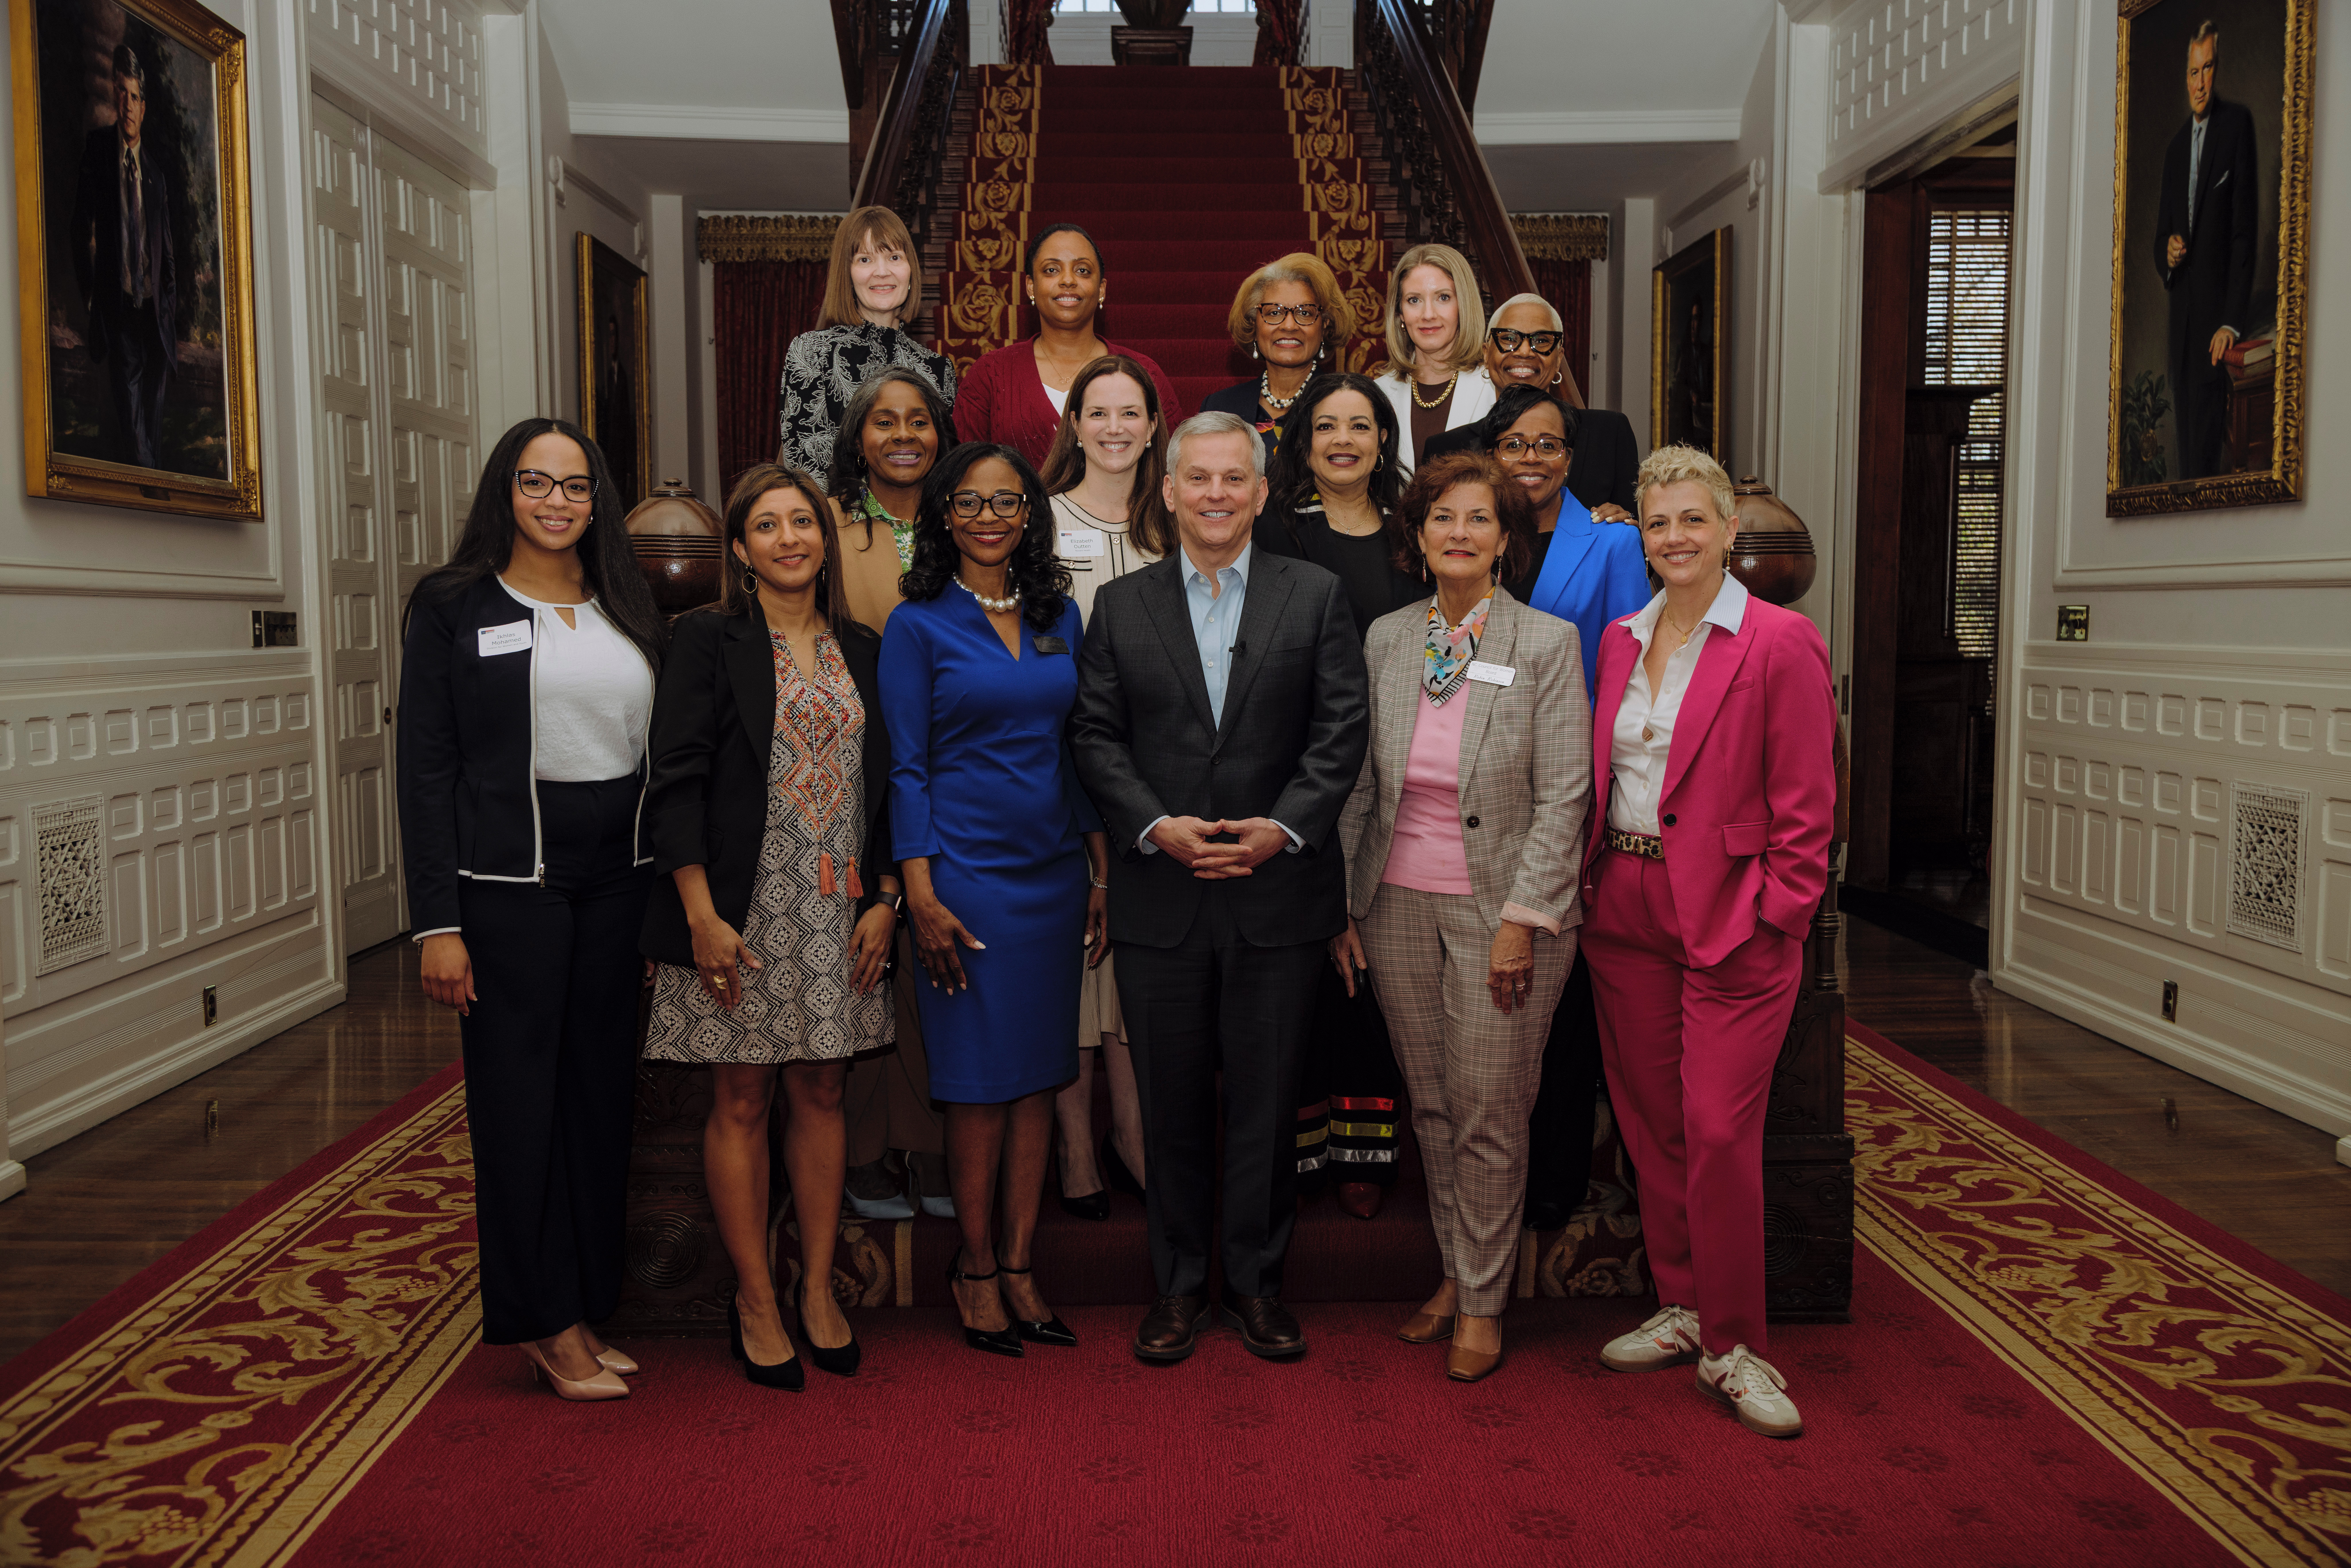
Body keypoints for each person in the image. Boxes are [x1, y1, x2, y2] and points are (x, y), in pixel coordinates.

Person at [1070, 412, 1369, 1365]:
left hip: (1278, 895)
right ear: (1166, 490)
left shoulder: (1315, 596)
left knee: (1267, 1101)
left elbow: (1339, 733)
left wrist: (1279, 832)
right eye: (1196, 478)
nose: (1214, 495)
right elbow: (1095, 737)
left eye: (1232, 479)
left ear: (1261, 488)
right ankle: (1179, 1285)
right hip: (1163, 893)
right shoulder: (1120, 607)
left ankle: (1255, 1282)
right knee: (1169, 1102)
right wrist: (1156, 826)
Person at [396, 418, 668, 1401]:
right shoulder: (454, 605)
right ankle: (541, 1319)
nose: (557, 502)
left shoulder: (625, 602)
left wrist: (655, 910)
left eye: (577, 485)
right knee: (519, 1104)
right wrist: (436, 921)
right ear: (503, 492)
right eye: (536, 482)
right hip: (509, 880)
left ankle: (585, 1299)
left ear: (599, 499)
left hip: (618, 874)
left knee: (598, 1098)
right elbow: (425, 769)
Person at [1582, 445, 1835, 1440]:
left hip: (1735, 913)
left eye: (1695, 519)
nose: (1676, 537)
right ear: (1639, 539)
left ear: (1731, 530)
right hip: (1627, 905)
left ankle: (1737, 1343)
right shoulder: (1617, 638)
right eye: (1658, 522)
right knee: (1654, 1125)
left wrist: (1777, 914)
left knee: (1722, 1131)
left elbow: (1809, 811)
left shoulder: (1778, 642)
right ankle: (1684, 1305)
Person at [639, 463, 901, 1391]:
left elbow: (889, 788)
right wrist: (699, 915)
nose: (789, 537)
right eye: (767, 525)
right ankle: (756, 1299)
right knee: (743, 1097)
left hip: (839, 907)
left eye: (803, 522)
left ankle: (818, 1289)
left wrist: (886, 900)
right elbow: (674, 779)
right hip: (740, 908)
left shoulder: (866, 648)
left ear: (825, 540)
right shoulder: (707, 639)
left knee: (823, 1092)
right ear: (741, 549)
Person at [1332, 449, 1591, 1382]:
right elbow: (1360, 781)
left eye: (1479, 519)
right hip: (1395, 899)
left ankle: (1483, 1302)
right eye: (1442, 516)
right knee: (1433, 1107)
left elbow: (1567, 796)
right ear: (1417, 533)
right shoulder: (1388, 640)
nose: (1459, 533)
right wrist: (1346, 905)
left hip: (1502, 911)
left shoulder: (1545, 643)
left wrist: (1525, 915)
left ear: (1506, 541)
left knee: (1489, 1112)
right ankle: (1455, 1273)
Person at [880, 442, 1106, 1357]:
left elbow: (1076, 747)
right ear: (942, 515)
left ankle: (1020, 1266)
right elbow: (906, 765)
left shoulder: (1061, 616)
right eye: (968, 503)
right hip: (963, 881)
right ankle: (972, 1270)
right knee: (978, 1090)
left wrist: (1096, 871)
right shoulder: (917, 624)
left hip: (1052, 878)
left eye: (1005, 502)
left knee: (1040, 1081)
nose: (986, 517)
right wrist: (919, 891)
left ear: (1029, 515)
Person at [1455, 383, 1652, 1233]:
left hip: (1562, 796)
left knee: (1558, 1000)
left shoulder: (1610, 543)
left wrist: (1589, 801)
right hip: (1469, 796)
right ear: (1491, 452)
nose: (1531, 457)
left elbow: (1616, 680)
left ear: (1571, 458)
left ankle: (1553, 1178)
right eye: (1515, 443)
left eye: (1548, 445)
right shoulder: (1469, 534)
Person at [1255, 372, 1421, 1217]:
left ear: (1384, 439)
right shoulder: (1280, 528)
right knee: (1315, 967)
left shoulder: (1411, 530)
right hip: (1306, 763)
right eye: (1328, 427)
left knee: (1376, 963)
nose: (1345, 441)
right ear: (1305, 441)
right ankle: (1305, 1149)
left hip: (1403, 765)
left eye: (1361, 426)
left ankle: (1368, 1153)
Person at [1036, 356, 1177, 1218]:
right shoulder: (1041, 525)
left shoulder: (1177, 522)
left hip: (1159, 773)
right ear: (1076, 425)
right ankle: (1075, 1144)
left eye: (1133, 412)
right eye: (1101, 413)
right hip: (1059, 764)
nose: (1117, 427)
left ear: (1156, 424)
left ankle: (1132, 1132)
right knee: (1070, 957)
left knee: (1132, 962)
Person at [819, 367, 958, 1222]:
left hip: (953, 769)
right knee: (864, 962)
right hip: (848, 771)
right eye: (883, 422)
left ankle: (934, 1143)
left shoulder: (968, 523)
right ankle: (867, 1150)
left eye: (918, 421)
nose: (903, 434)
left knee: (935, 969)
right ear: (857, 439)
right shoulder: (827, 528)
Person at [953, 223, 1184, 470]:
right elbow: (962, 472)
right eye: (1052, 270)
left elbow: (1176, 466)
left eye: (1083, 271)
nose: (1068, 281)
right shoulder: (990, 374)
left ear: (1102, 289)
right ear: (1031, 286)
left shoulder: (1144, 373)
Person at [779, 206, 959, 479]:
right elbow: (806, 470)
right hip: (836, 518)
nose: (882, 272)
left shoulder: (938, 370)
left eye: (894, 257)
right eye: (865, 260)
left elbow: (944, 471)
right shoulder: (812, 352)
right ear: (847, 274)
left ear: (910, 271)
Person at [1424, 293, 1642, 518]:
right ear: (1487, 355)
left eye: (1541, 341)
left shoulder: (1609, 433)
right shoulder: (1445, 451)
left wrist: (1629, 524)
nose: (1525, 351)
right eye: (1509, 339)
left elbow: (1640, 528)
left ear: (1559, 358)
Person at [2154, 20, 2257, 480]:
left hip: (2218, 333)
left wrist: (2231, 322)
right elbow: (2162, 238)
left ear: (2217, 69)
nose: (2200, 83)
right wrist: (2170, 253)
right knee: (2185, 470)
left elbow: (2243, 233)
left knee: (2209, 473)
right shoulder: (2176, 151)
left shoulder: (2237, 127)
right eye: (2193, 73)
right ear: (2186, 77)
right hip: (2182, 333)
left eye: (2208, 69)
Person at [70, 44, 175, 474]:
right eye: (120, 93)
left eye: (134, 96)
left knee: (150, 426)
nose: (126, 105)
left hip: (154, 320)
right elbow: (81, 228)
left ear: (144, 107)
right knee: (135, 437)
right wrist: (93, 296)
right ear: (114, 97)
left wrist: (168, 306)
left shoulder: (155, 175)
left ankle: (153, 495)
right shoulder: (98, 150)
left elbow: (167, 256)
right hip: (119, 314)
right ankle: (154, 496)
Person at [1197, 253, 1357, 458]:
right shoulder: (1219, 407)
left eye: (1305, 313)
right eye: (1274, 313)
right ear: (1254, 324)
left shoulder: (1351, 404)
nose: (1289, 326)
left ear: (1325, 325)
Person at [1372, 244, 1495, 470]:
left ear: (1463, 307)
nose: (1428, 315)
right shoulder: (1377, 393)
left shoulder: (1494, 389)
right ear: (1400, 313)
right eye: (1414, 300)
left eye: (1444, 298)